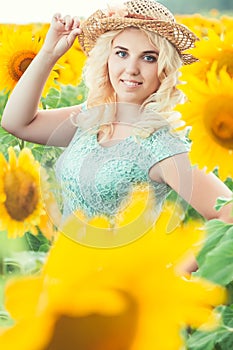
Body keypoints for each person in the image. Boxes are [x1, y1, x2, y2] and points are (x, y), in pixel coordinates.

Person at [1, 0, 232, 249]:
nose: (131, 68)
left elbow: (227, 214)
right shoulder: (94, 117)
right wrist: (49, 53)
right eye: (121, 53)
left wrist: (173, 265)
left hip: (118, 281)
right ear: (107, 58)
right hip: (65, 278)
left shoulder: (161, 143)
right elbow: (17, 123)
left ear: (165, 68)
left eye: (149, 58)